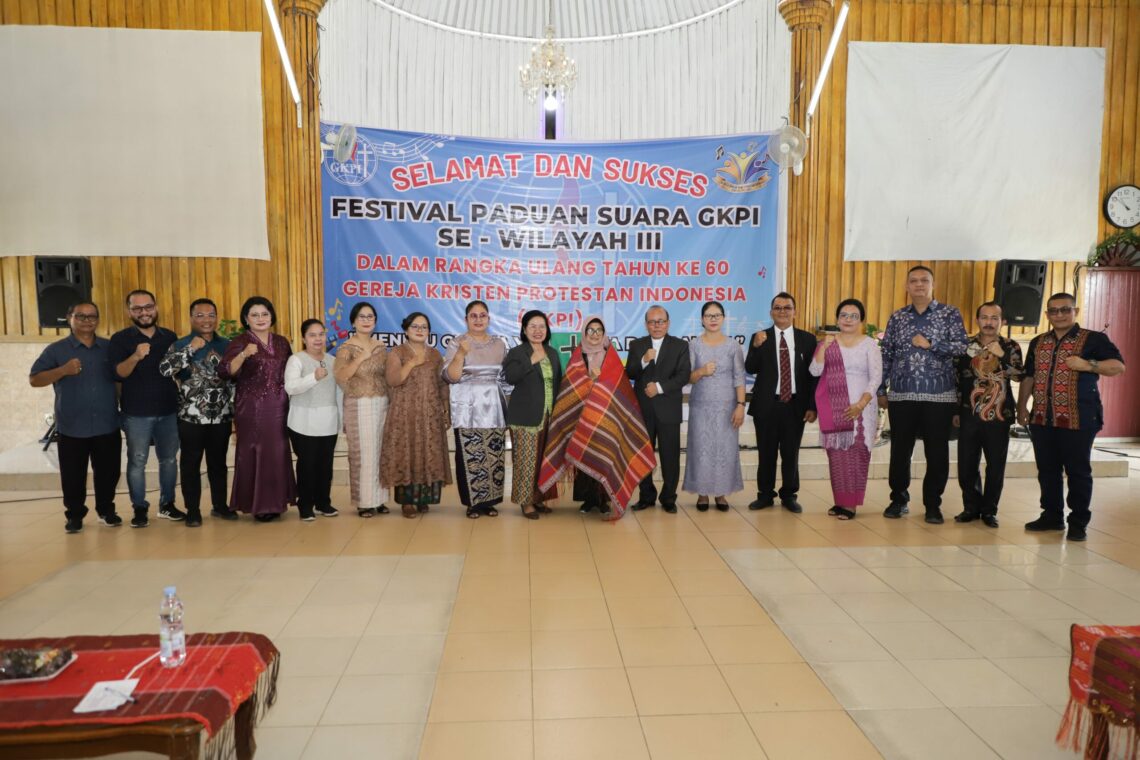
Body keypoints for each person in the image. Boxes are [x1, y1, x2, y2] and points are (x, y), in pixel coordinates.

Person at [1017, 293, 1125, 541]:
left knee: (1077, 471)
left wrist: (1088, 365)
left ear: (1074, 310)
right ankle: (1052, 516)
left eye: (1065, 309)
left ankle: (1078, 521)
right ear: (1047, 315)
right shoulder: (1038, 342)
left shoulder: (1094, 339)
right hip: (1043, 418)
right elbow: (1029, 377)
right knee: (1047, 470)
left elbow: (1118, 366)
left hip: (1079, 418)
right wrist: (1023, 407)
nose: (1059, 315)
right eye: (1053, 311)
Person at [539, 316, 655, 518]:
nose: (594, 335)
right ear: (584, 333)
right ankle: (588, 499)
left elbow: (620, 385)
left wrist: (600, 383)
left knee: (605, 452)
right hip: (580, 413)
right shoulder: (577, 356)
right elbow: (570, 386)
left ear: (604, 333)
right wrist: (589, 380)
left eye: (598, 330)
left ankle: (604, 500)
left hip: (607, 415)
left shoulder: (610, 355)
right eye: (590, 330)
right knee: (583, 452)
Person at [877, 265, 968, 524]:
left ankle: (933, 504)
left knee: (937, 452)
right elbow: (887, 354)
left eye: (924, 280)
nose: (919, 285)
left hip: (938, 396)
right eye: (913, 281)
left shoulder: (950, 314)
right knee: (900, 450)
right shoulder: (897, 317)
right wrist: (881, 389)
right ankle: (898, 499)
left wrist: (932, 345)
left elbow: (963, 347)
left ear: (932, 284)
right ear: (906, 286)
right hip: (902, 395)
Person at [29, 302, 122, 533]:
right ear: (70, 318)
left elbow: (120, 379)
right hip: (72, 425)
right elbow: (35, 379)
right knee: (72, 475)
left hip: (106, 422)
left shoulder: (110, 348)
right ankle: (75, 515)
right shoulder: (56, 350)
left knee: (109, 472)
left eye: (92, 316)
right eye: (81, 316)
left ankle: (106, 510)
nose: (87, 320)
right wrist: (62, 370)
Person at [159, 298, 237, 527]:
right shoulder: (180, 343)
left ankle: (220, 506)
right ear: (191, 318)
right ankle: (192, 510)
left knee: (218, 463)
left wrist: (234, 411)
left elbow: (234, 380)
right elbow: (165, 370)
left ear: (217, 317)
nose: (206, 320)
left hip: (221, 415)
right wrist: (190, 349)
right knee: (191, 464)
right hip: (190, 417)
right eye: (200, 315)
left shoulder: (227, 345)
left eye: (211, 315)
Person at [218, 297, 297, 521]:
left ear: (272, 316)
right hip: (252, 408)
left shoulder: (282, 341)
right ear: (246, 319)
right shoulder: (240, 341)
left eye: (265, 314)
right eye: (255, 315)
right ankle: (259, 505)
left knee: (278, 452)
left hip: (279, 406)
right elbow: (225, 371)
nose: (260, 319)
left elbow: (290, 372)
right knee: (256, 452)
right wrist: (243, 355)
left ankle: (277, 502)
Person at [109, 289, 181, 528]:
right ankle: (139, 508)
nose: (144, 312)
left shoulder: (169, 336)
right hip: (136, 412)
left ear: (156, 307)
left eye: (148, 307)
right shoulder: (121, 339)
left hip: (169, 409)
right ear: (130, 311)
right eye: (137, 308)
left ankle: (167, 505)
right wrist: (136, 356)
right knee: (137, 461)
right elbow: (119, 373)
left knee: (169, 460)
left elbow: (177, 371)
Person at [745, 292, 818, 513]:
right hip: (767, 406)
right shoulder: (760, 337)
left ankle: (789, 495)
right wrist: (756, 347)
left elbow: (813, 375)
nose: (782, 311)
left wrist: (812, 406)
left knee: (790, 453)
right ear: (771, 312)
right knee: (766, 453)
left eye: (787, 308)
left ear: (795, 312)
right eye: (778, 308)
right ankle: (765, 495)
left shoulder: (807, 339)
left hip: (795, 406)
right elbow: (750, 368)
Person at [809, 299, 882, 520]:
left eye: (853, 315)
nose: (848, 319)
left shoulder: (869, 344)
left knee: (857, 453)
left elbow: (876, 377)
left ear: (861, 320)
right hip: (834, 408)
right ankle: (840, 501)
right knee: (837, 455)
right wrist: (824, 348)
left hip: (861, 407)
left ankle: (851, 505)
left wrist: (861, 404)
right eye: (844, 315)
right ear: (837, 319)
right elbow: (814, 371)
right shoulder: (828, 343)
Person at [953, 302, 1024, 528]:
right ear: (977, 320)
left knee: (995, 466)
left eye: (995, 318)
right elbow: (956, 380)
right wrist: (955, 410)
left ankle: (989, 510)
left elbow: (1019, 376)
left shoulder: (1010, 346)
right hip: (968, 414)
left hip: (999, 416)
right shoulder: (965, 345)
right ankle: (971, 508)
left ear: (1002, 321)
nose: (989, 322)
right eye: (985, 317)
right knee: (966, 465)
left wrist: (1001, 355)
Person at [381, 312, 452, 518]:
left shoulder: (435, 354)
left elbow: (442, 384)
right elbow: (393, 380)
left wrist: (445, 408)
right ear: (406, 330)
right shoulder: (397, 352)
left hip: (430, 413)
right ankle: (407, 502)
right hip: (405, 413)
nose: (420, 330)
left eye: (424, 327)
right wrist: (411, 363)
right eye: (415, 326)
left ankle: (424, 498)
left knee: (428, 453)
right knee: (407, 453)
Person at [443, 300, 508, 519]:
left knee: (493, 454)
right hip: (466, 405)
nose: (478, 319)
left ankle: (489, 501)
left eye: (482, 315)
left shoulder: (499, 344)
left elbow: (506, 379)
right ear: (466, 320)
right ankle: (473, 503)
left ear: (489, 319)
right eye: (473, 315)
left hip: (493, 405)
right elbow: (450, 376)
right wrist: (461, 354)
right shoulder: (457, 342)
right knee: (471, 454)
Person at [626, 305, 691, 514]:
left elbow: (683, 375)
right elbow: (630, 373)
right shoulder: (637, 345)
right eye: (652, 322)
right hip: (642, 410)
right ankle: (646, 496)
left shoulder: (680, 346)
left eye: (661, 321)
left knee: (670, 456)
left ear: (668, 323)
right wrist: (644, 361)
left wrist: (659, 388)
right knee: (643, 455)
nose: (657, 325)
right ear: (646, 324)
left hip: (669, 409)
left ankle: (669, 498)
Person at [683, 301, 746, 511]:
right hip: (700, 406)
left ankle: (721, 493)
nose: (713, 319)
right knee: (701, 449)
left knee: (724, 450)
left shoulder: (733, 345)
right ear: (701, 319)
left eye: (717, 315)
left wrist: (740, 405)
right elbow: (687, 378)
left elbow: (739, 378)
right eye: (709, 316)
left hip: (727, 407)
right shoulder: (694, 345)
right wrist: (701, 372)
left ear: (723, 318)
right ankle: (702, 494)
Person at [504, 310, 562, 519]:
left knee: (542, 461)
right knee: (525, 462)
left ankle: (539, 498)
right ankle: (526, 502)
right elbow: (510, 377)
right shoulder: (517, 352)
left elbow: (558, 383)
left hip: (549, 415)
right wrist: (532, 360)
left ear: (547, 330)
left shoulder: (553, 353)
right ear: (524, 330)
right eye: (533, 326)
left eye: (542, 327)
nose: (538, 331)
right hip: (525, 416)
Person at [334, 302, 390, 518]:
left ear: (375, 321)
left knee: (380, 451)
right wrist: (359, 359)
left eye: (370, 317)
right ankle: (364, 502)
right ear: (353, 321)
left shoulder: (380, 346)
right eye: (362, 317)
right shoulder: (346, 348)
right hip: (358, 403)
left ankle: (379, 499)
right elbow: (341, 376)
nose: (366, 320)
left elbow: (387, 375)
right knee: (363, 453)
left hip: (382, 402)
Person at [285, 319, 341, 521]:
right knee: (307, 465)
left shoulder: (333, 360)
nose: (318, 339)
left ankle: (323, 502)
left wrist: (341, 419)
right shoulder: (296, 360)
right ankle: (305, 504)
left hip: (328, 421)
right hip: (303, 421)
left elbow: (338, 393)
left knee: (325, 465)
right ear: (303, 338)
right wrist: (313, 377)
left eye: (321, 334)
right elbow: (290, 387)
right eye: (312, 335)